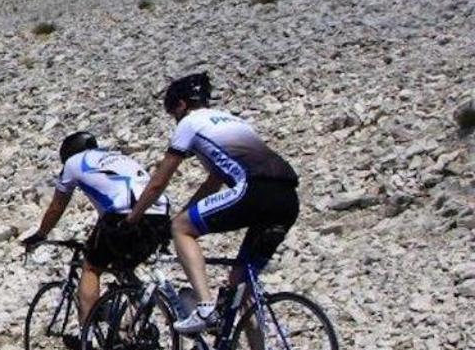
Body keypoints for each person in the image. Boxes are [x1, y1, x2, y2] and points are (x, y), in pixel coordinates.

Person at [124, 72, 300, 336]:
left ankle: (205, 307)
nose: (175, 119)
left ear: (181, 105)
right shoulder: (233, 120)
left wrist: (134, 217)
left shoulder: (190, 122)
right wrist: (183, 213)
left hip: (254, 190)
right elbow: (212, 184)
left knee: (181, 229)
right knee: (241, 288)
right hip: (287, 198)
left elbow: (159, 182)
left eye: (173, 113)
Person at [21, 131, 172, 330]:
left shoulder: (73, 163)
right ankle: (139, 300)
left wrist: (41, 234)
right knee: (121, 262)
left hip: (124, 214)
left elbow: (57, 206)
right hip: (160, 214)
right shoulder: (118, 157)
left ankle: (86, 333)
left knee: (91, 267)